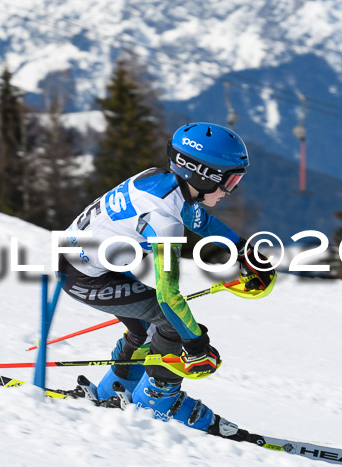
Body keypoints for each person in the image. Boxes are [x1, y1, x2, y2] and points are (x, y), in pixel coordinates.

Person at [57, 122, 275, 440]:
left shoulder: (162, 183)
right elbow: (168, 295)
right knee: (170, 324)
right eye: (230, 180)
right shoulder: (163, 220)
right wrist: (196, 345)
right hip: (86, 276)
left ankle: (112, 391)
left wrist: (241, 248)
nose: (232, 189)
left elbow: (199, 220)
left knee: (147, 328)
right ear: (203, 175)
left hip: (86, 264)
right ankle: (158, 401)